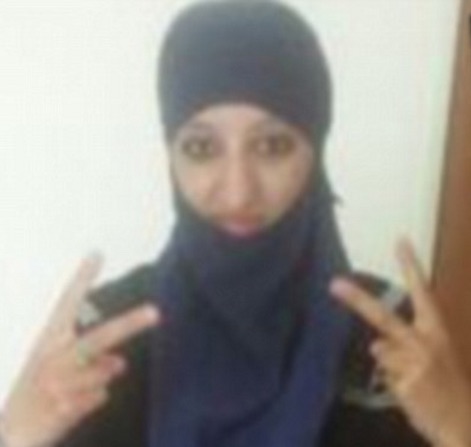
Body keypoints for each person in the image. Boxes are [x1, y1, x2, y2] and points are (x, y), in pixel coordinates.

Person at [0, 1, 470, 446]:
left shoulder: (394, 343)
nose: (238, 193)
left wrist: (458, 426)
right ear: (171, 156)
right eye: (202, 148)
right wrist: (14, 434)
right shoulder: (102, 343)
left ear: (316, 152)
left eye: (272, 146)